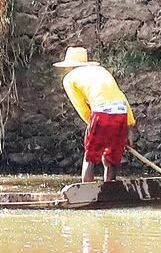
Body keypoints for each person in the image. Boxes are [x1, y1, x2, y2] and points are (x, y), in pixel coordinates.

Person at [54, 46, 136, 184]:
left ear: (69, 66)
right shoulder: (101, 70)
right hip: (122, 111)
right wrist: (128, 127)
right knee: (112, 156)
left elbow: (81, 107)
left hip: (101, 111)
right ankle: (110, 187)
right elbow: (120, 96)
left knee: (90, 156)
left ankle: (86, 189)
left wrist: (93, 125)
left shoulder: (69, 79)